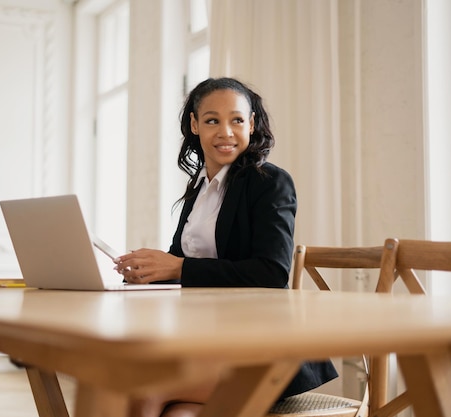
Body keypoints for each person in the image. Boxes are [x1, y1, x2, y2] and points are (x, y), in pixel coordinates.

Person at [114, 77, 337, 417]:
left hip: (262, 353)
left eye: (236, 120)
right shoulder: (201, 187)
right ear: (194, 125)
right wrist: (146, 271)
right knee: (180, 413)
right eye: (212, 120)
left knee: (140, 391)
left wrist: (176, 268)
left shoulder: (270, 182)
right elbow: (181, 263)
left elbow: (271, 272)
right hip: (209, 341)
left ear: (251, 123)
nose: (226, 132)